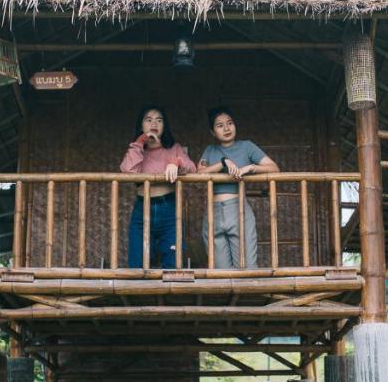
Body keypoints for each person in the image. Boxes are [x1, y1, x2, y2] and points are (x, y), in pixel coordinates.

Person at [196, 106, 280, 268]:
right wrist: (222, 163)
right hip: (213, 212)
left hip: (238, 209)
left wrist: (251, 168)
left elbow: (274, 168)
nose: (226, 128)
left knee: (247, 267)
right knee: (221, 272)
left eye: (230, 123)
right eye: (220, 125)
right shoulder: (210, 150)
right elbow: (199, 174)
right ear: (213, 132)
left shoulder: (246, 146)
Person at [120, 106, 195, 268]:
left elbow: (191, 167)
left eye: (159, 120)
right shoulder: (137, 149)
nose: (154, 123)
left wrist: (176, 162)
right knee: (137, 264)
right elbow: (127, 170)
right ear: (141, 126)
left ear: (164, 126)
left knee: (172, 262)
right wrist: (140, 142)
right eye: (149, 119)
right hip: (142, 208)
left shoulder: (173, 148)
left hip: (168, 208)